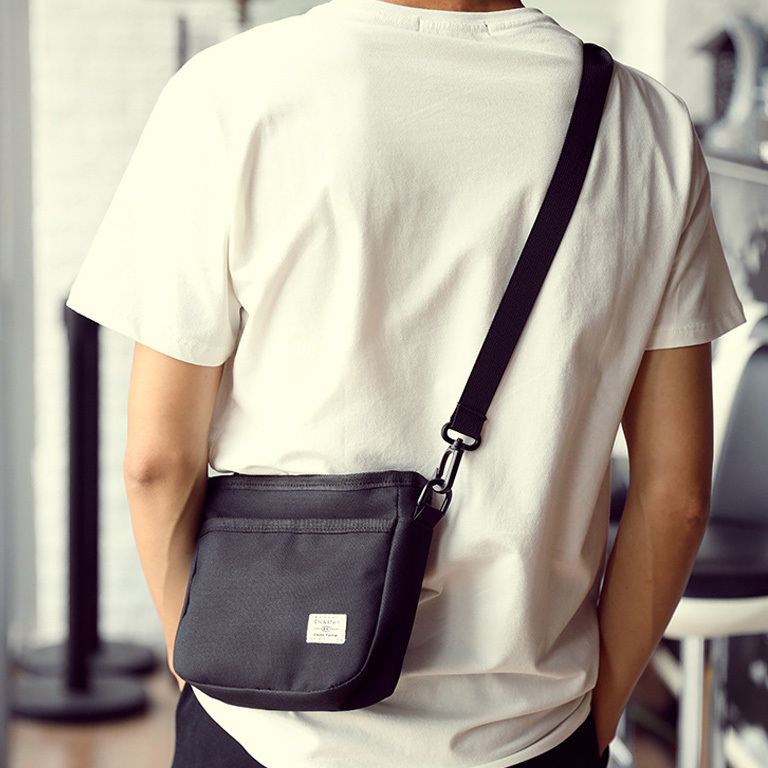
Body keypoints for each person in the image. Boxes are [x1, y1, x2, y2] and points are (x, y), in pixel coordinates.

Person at [66, 0, 746, 765]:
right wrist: (597, 717)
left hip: (267, 728)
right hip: (528, 732)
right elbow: (675, 497)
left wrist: (204, 671)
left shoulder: (232, 91)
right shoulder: (650, 129)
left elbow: (157, 464)